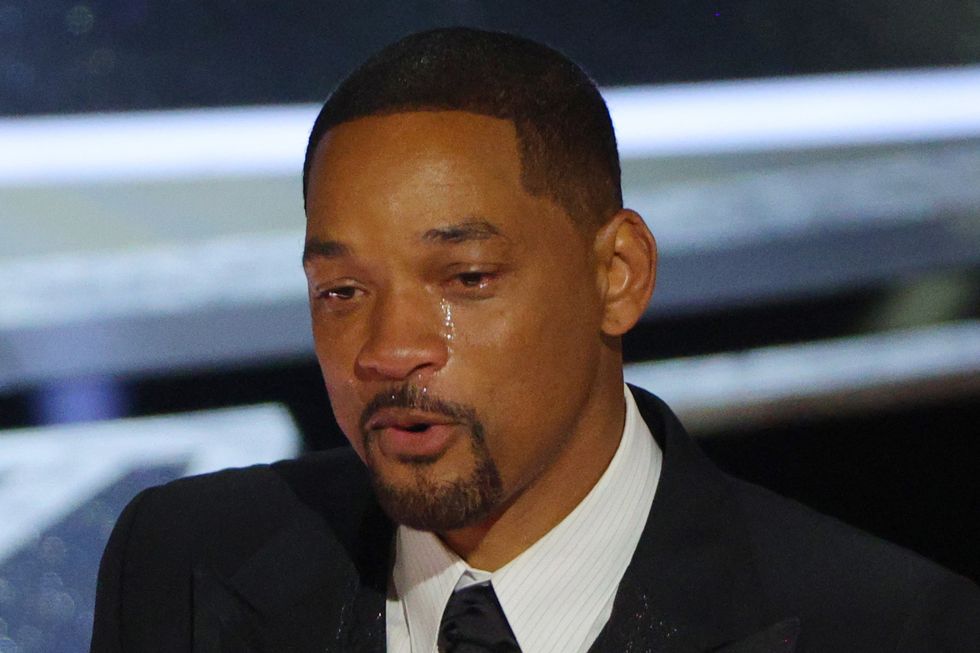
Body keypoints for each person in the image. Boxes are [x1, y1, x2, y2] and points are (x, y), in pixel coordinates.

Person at [91, 27, 980, 653]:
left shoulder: (886, 626)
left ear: (618, 274)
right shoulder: (182, 561)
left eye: (466, 279)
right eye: (342, 290)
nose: (388, 348)